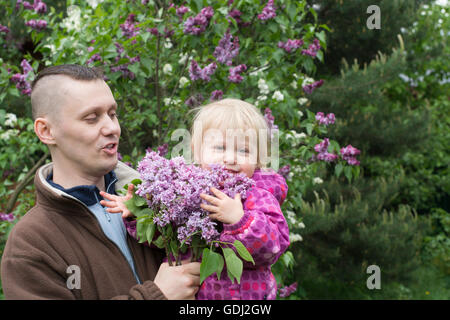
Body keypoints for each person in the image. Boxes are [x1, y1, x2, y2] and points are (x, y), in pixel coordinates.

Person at [0, 64, 201, 300]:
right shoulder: (32, 244)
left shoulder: (157, 199)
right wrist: (156, 296)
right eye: (91, 118)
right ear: (46, 131)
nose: (112, 128)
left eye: (112, 114)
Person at [100, 98, 290, 300]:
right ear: (197, 151)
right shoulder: (186, 190)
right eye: (220, 148)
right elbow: (165, 238)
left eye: (243, 151)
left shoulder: (257, 194)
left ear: (258, 158)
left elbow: (273, 247)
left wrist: (239, 220)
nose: (231, 158)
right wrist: (137, 213)